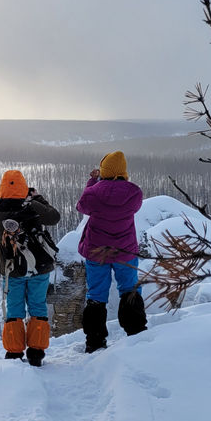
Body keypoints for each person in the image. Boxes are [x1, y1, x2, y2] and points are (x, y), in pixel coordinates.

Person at [0, 169, 60, 367]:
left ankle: (14, 353)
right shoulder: (34, 207)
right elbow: (54, 217)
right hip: (39, 268)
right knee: (37, 306)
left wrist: (0, 201)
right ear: (24, 188)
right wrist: (37, 198)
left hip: (12, 270)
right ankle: (36, 351)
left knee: (14, 309)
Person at [76, 150, 147, 353]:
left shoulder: (93, 192)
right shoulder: (134, 193)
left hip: (97, 251)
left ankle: (95, 341)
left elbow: (82, 207)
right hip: (125, 251)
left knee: (96, 294)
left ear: (103, 171)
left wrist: (92, 183)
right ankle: (137, 332)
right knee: (130, 289)